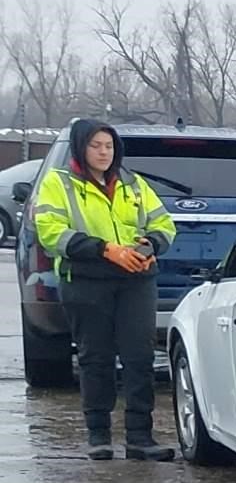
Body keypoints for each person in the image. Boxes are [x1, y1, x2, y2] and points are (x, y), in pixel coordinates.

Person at [28, 119, 177, 461]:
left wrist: (149, 245)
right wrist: (104, 249)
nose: (103, 152)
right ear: (82, 147)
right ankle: (99, 435)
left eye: (108, 146)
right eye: (96, 145)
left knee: (139, 358)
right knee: (96, 358)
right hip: (86, 281)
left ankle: (140, 437)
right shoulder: (59, 183)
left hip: (135, 281)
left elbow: (164, 224)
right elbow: (50, 230)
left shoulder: (133, 183)